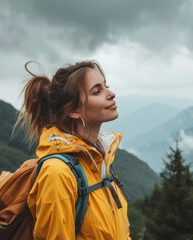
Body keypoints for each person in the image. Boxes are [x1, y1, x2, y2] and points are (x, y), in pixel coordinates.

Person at [15, 60, 131, 239]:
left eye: (106, 86)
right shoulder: (57, 173)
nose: (111, 94)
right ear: (74, 111)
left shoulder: (100, 161)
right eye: (97, 91)